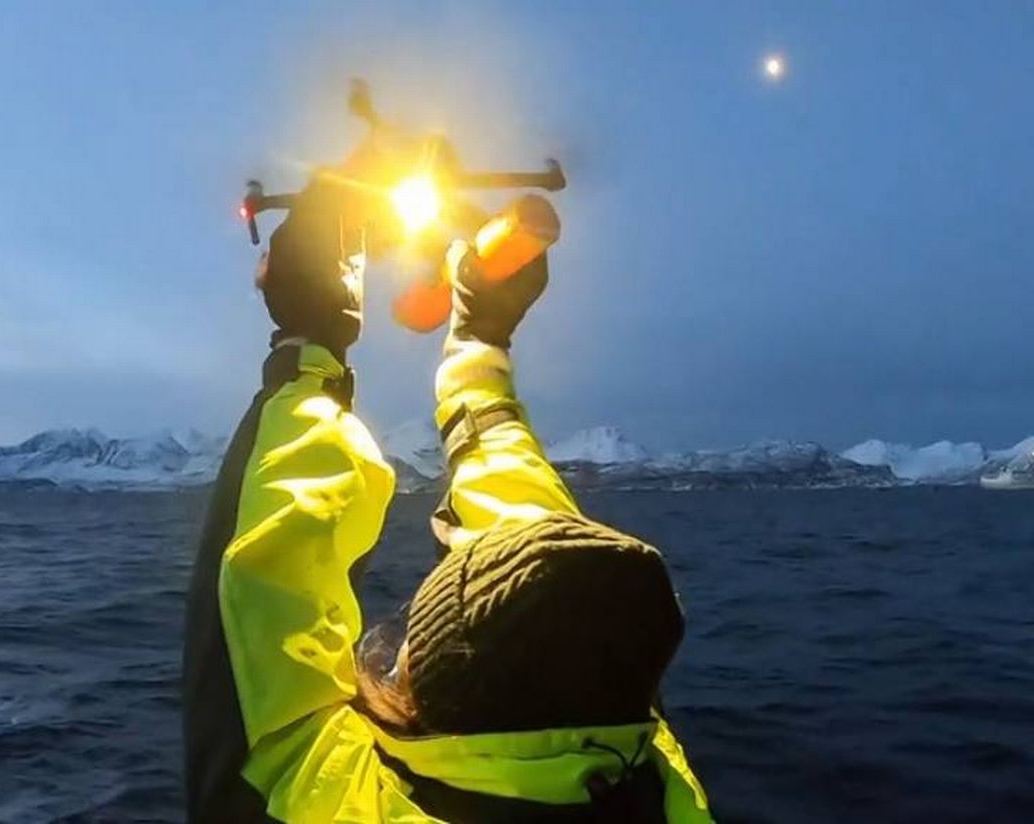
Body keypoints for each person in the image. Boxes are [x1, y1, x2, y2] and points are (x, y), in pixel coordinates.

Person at [182, 178, 712, 823]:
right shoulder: (656, 780)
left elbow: (264, 578)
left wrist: (309, 341)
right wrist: (478, 345)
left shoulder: (318, 805)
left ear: (423, 680)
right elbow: (559, 588)